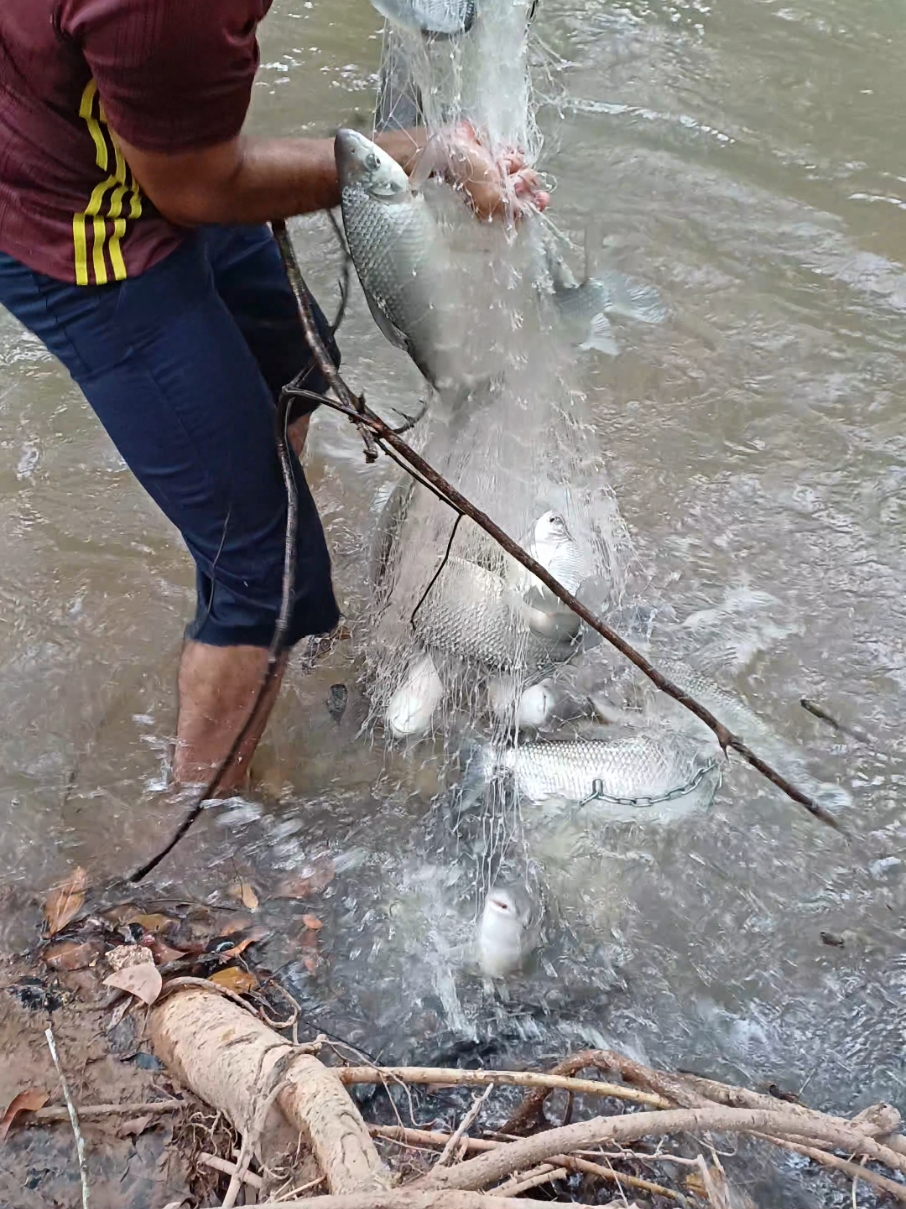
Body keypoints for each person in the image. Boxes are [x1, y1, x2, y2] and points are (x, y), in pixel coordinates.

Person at [0, 1, 548, 797]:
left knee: (295, 358)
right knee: (272, 581)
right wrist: (426, 155)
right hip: (78, 217)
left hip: (122, 130)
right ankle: (204, 844)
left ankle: (245, 567)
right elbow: (197, 185)